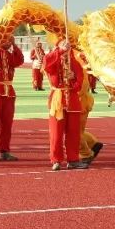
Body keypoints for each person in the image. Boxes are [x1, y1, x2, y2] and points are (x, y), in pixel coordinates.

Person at [44, 37, 87, 171]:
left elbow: (80, 83)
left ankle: (73, 159)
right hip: (58, 100)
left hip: (73, 99)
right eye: (63, 45)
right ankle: (56, 159)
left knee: (73, 133)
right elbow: (47, 63)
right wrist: (60, 50)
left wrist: (73, 77)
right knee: (56, 133)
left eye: (67, 46)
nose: (66, 48)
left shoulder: (75, 63)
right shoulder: (54, 59)